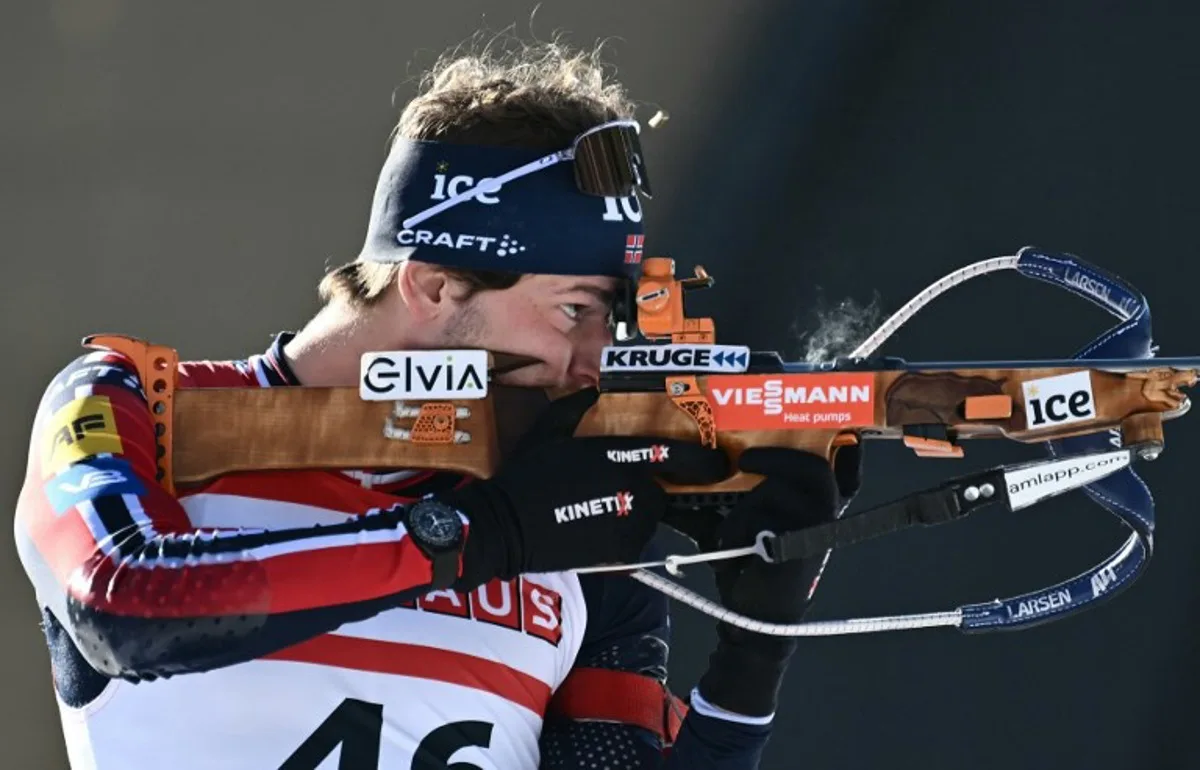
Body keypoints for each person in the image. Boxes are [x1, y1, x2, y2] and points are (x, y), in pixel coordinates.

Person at [14, 39, 853, 769]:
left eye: (613, 319)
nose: (595, 363)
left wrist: (752, 657)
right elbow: (123, 603)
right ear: (433, 282)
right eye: (574, 312)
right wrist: (476, 536)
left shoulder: (561, 514)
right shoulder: (136, 404)